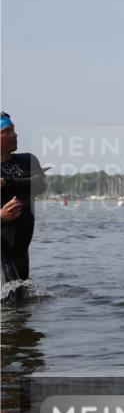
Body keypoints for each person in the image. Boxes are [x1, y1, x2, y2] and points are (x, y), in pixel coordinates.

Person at [1, 112, 46, 285]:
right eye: (8, 131)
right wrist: (1, 214)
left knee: (21, 302)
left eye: (14, 129)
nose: (15, 134)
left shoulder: (27, 160)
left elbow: (41, 185)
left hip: (21, 251)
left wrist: (8, 183)